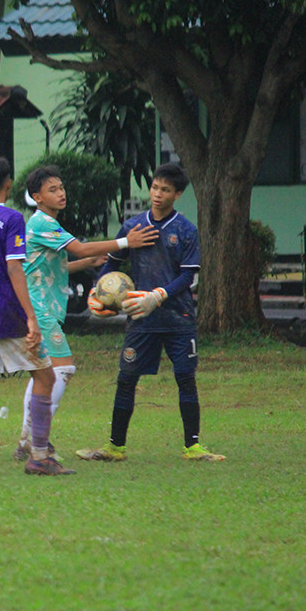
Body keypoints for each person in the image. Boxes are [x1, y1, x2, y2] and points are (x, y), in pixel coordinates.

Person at [78, 162, 225, 462]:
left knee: (185, 378)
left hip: (178, 319)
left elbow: (188, 277)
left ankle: (193, 447)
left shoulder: (185, 230)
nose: (158, 194)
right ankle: (115, 448)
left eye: (166, 190)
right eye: (155, 187)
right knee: (126, 379)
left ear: (178, 194)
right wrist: (99, 293)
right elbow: (112, 264)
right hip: (140, 320)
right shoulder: (133, 227)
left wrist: (158, 295)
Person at [14, 165, 158, 460]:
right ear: (36, 197)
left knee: (42, 374)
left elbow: (57, 266)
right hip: (38, 310)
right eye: (52, 189)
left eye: (61, 187)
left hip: (43, 310)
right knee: (62, 370)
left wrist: (90, 261)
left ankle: (28, 438)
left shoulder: (43, 224)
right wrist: (124, 242)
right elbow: (78, 248)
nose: (61, 193)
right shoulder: (43, 223)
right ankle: (36, 439)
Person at [0, 154, 75, 477]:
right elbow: (13, 267)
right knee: (46, 376)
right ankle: (38, 455)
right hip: (7, 311)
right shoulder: (11, 219)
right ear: (9, 184)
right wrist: (30, 317)